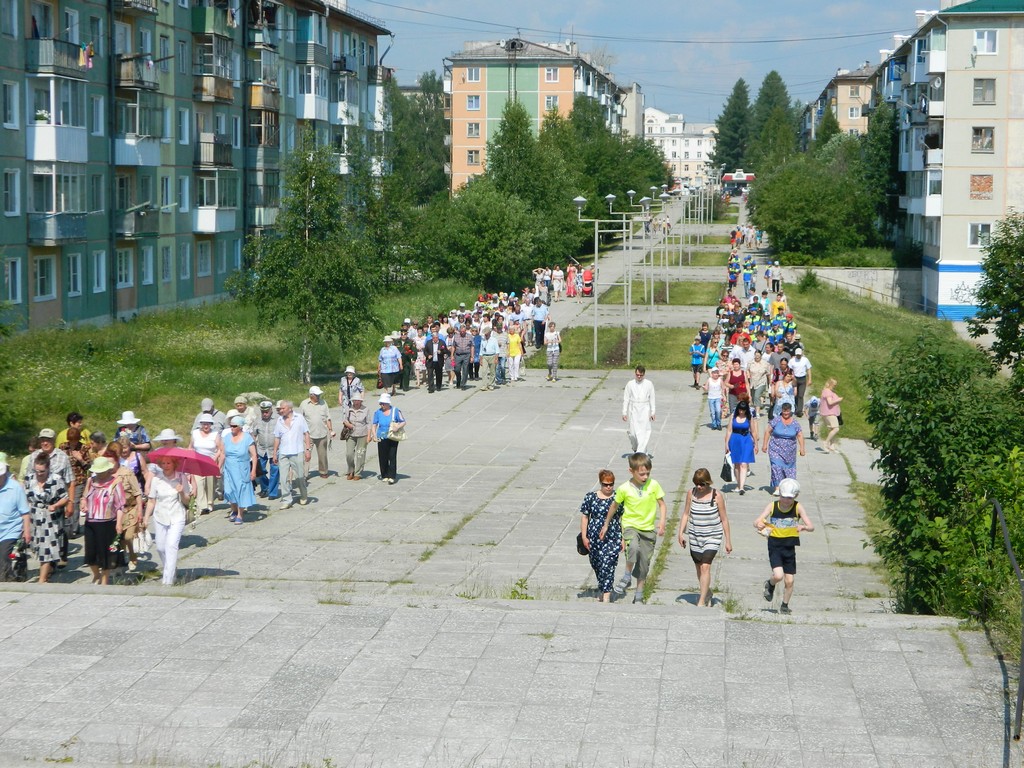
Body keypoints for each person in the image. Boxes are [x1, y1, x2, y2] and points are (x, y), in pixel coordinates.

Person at [607, 453, 667, 605]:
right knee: (632, 546)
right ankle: (627, 576)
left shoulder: (653, 485)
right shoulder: (624, 489)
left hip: (648, 529)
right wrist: (606, 523)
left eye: (647, 473)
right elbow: (614, 506)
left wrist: (662, 523)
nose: (645, 476)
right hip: (630, 526)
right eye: (641, 474)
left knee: (644, 564)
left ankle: (638, 596)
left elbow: (662, 504)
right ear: (631, 471)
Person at [755, 478, 814, 615]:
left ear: (795, 496)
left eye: (789, 498)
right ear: (779, 494)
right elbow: (757, 520)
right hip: (775, 545)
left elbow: (811, 526)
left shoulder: (798, 507)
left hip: (789, 547)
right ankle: (770, 584)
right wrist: (759, 524)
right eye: (783, 497)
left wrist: (804, 527)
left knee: (790, 580)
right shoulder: (772, 506)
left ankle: (785, 605)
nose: (786, 501)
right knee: (778, 575)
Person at [678, 468, 732, 607]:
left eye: (702, 484)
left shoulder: (716, 496)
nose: (699, 487)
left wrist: (728, 541)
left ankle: (701, 601)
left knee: (705, 567)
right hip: (695, 535)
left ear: (708, 482)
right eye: (696, 484)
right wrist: (681, 533)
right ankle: (706, 592)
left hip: (712, 536)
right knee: (699, 568)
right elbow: (685, 514)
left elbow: (724, 519)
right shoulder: (691, 493)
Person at [144, 456, 191, 586]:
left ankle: (168, 580)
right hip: (160, 516)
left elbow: (187, 500)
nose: (166, 465)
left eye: (169, 463)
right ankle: (170, 569)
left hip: (177, 515)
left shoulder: (181, 477)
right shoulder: (156, 479)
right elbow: (152, 500)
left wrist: (181, 492)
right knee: (160, 547)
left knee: (171, 545)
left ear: (174, 464)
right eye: (163, 463)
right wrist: (146, 517)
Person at [79, 456, 125, 586]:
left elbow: (120, 506)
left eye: (101, 471)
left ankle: (104, 581)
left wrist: (119, 523)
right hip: (91, 522)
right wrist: (83, 503)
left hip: (107, 523)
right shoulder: (90, 481)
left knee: (105, 554)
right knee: (91, 554)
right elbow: (84, 497)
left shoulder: (115, 483)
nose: (99, 474)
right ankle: (96, 575)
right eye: (97, 471)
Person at [24, 452, 68, 584]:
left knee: (47, 548)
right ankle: (45, 572)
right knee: (37, 547)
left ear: (48, 468)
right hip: (33, 517)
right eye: (37, 470)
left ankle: (42, 580)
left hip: (50, 518)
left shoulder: (56, 479)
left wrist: (55, 505)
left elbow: (65, 497)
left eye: (42, 471)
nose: (39, 474)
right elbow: (24, 497)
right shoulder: (29, 479)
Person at [579, 469, 620, 603]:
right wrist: (584, 536)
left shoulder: (618, 498)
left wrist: (624, 538)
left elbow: (623, 518)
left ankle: (607, 594)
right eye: (605, 484)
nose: (608, 487)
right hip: (594, 537)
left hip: (612, 535)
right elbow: (585, 517)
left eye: (611, 484)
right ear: (600, 483)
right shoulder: (591, 497)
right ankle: (603, 588)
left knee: (608, 563)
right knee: (596, 563)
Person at [111, 441, 144, 572]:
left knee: (128, 536)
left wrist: (140, 511)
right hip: (115, 511)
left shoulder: (127, 472)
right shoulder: (106, 474)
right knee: (119, 538)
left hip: (130, 508)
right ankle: (120, 558)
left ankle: (132, 555)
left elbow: (137, 492)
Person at [272, 400, 311, 509]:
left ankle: (303, 495)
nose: (281, 410)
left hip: (297, 451)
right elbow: (277, 437)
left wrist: (307, 449)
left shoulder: (299, 418)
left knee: (299, 476)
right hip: (283, 452)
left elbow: (306, 434)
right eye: (280, 408)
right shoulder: (279, 420)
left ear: (289, 408)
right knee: (283, 478)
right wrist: (275, 453)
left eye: (283, 408)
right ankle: (286, 499)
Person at [0, 453, 31, 582]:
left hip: (10, 530)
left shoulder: (15, 487)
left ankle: (6, 580)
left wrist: (27, 531)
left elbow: (25, 512)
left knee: (3, 555)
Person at [762, 403, 805, 493]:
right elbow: (768, 432)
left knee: (788, 470)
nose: (786, 413)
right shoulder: (776, 420)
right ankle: (777, 488)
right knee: (776, 467)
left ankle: (788, 487)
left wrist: (802, 448)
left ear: (790, 411)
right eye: (784, 411)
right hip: (775, 448)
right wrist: (764, 445)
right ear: (781, 410)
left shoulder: (795, 423)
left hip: (790, 451)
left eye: (787, 411)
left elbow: (800, 435)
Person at [221, 416, 257, 524]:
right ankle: (234, 510)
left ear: (240, 427)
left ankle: (240, 514)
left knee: (241, 490)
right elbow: (222, 454)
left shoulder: (247, 438)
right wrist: (218, 467)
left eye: (234, 426)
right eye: (230, 426)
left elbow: (254, 455)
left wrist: (253, 470)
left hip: (242, 468)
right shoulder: (227, 437)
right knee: (229, 490)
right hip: (228, 468)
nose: (231, 428)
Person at [188, 414, 222, 515]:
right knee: (199, 483)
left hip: (210, 462)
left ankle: (210, 503)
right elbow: (191, 447)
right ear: (200, 424)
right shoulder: (195, 433)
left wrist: (215, 458)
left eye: (208, 424)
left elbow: (220, 449)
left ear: (211, 424)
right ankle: (201, 506)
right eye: (204, 424)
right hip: (197, 462)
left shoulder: (215, 434)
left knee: (210, 483)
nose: (206, 426)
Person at [370, 393, 405, 485]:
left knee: (392, 455)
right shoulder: (377, 412)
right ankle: (384, 474)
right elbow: (374, 424)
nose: (381, 405)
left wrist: (397, 427)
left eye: (383, 403)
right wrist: (374, 435)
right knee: (383, 456)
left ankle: (392, 476)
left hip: (393, 436)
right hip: (381, 436)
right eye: (380, 403)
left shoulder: (395, 411)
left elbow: (403, 421)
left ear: (388, 403)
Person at [724, 401, 758, 494]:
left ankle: (742, 487)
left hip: (746, 440)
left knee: (744, 464)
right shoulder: (733, 417)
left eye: (743, 410)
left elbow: (753, 431)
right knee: (737, 464)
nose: (741, 412)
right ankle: (738, 485)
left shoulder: (749, 418)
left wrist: (756, 444)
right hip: (735, 440)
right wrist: (726, 443)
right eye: (740, 410)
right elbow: (729, 431)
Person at [300, 386, 334, 479]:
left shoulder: (323, 403)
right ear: (311, 395)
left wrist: (331, 430)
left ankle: (323, 471)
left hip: (321, 433)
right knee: (307, 455)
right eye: (317, 395)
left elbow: (328, 417)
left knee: (322, 455)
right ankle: (304, 474)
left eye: (319, 394)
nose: (319, 396)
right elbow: (300, 419)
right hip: (308, 435)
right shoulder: (304, 404)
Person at [622, 366, 656, 454]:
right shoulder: (630, 384)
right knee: (632, 433)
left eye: (641, 375)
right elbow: (626, 399)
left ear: (644, 374)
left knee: (643, 433)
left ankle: (641, 453)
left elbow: (652, 398)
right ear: (635, 374)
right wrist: (624, 412)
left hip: (644, 409)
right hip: (633, 409)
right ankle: (635, 448)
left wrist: (653, 412)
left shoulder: (649, 384)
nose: (639, 377)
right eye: (637, 375)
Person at [252, 403, 279, 499]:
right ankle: (265, 488)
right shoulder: (257, 420)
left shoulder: (277, 420)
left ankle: (272, 493)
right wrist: (252, 449)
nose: (265, 414)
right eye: (263, 412)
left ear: (271, 410)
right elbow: (253, 435)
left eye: (267, 412)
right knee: (260, 471)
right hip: (261, 450)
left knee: (274, 471)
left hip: (274, 450)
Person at [342, 393, 370, 480]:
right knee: (349, 454)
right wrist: (348, 424)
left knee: (360, 454)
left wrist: (369, 436)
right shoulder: (348, 409)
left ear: (361, 401)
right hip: (351, 434)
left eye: (358, 400)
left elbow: (369, 423)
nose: (356, 402)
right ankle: (351, 470)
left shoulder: (366, 409)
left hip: (362, 434)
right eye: (354, 400)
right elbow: (344, 419)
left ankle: (358, 473)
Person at [820, 378, 844, 452]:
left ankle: (832, 445)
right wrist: (838, 400)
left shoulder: (828, 391)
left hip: (829, 412)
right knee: (836, 428)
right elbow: (830, 402)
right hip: (829, 413)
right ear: (830, 384)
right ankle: (826, 442)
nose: (835, 386)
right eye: (834, 385)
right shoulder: (827, 392)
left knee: (831, 429)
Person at [423, 326, 448, 394]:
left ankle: (438, 386)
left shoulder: (442, 342)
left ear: (438, 337)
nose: (435, 339)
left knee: (439, 374)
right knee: (430, 374)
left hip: (439, 361)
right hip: (430, 361)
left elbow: (446, 350)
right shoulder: (428, 342)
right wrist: (428, 355)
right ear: (432, 338)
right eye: (434, 338)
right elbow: (425, 351)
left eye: (436, 338)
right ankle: (431, 388)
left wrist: (441, 352)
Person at [748, 350, 771, 419]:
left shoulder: (765, 363)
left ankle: (757, 413)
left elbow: (768, 374)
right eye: (756, 355)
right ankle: (755, 409)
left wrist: (770, 383)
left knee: (756, 396)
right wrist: (748, 377)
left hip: (761, 382)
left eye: (758, 355)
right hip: (752, 382)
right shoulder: (750, 362)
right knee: (753, 397)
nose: (757, 357)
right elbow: (747, 371)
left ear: (761, 356)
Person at [789, 347, 812, 416]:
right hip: (794, 378)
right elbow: (789, 370)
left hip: (802, 379)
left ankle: (799, 410)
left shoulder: (805, 360)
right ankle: (795, 408)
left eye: (799, 355)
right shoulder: (792, 360)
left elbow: (808, 369)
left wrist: (810, 379)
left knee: (801, 395)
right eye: (797, 355)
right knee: (795, 394)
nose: (798, 356)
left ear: (801, 354)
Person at [480, 325, 500, 391]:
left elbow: (497, 350)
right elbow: (481, 350)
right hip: (485, 356)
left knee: (492, 371)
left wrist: (496, 358)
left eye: (487, 333)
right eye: (485, 333)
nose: (485, 335)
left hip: (492, 356)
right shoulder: (483, 340)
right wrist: (481, 359)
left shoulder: (494, 340)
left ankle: (491, 384)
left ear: (489, 333)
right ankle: (484, 385)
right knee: (484, 371)